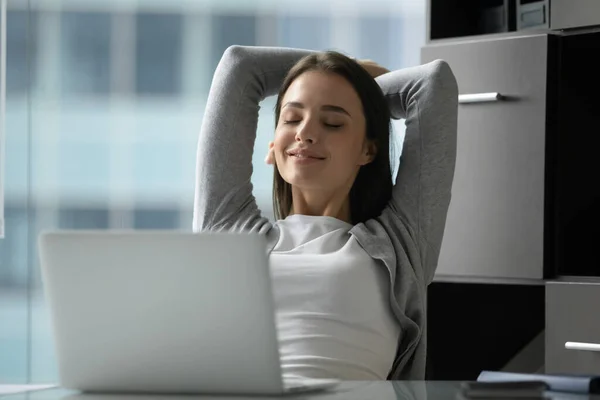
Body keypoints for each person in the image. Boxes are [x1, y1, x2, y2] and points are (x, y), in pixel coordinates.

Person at [193, 45, 458, 381]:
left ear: (367, 149)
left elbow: (432, 84)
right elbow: (240, 66)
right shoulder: (230, 231)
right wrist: (344, 71)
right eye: (291, 119)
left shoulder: (399, 241)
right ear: (273, 147)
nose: (305, 132)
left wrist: (349, 75)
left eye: (333, 123)